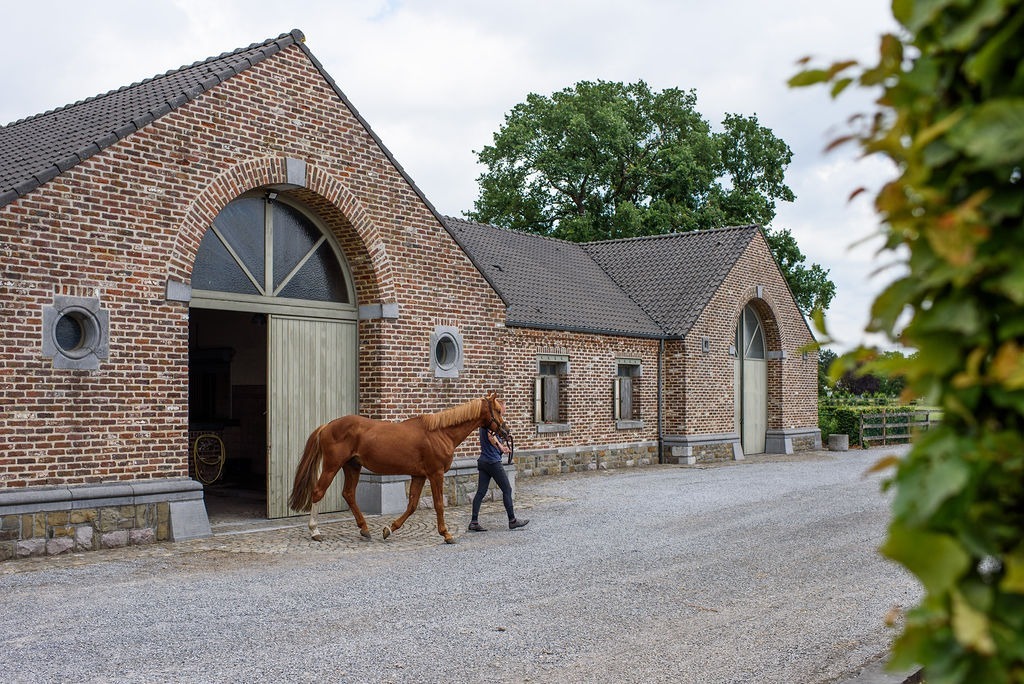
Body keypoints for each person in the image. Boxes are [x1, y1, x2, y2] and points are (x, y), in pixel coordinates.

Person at [468, 426, 529, 531]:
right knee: (507, 489)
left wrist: (502, 442)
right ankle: (512, 521)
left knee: (481, 492)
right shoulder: (488, 425)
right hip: (493, 462)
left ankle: (474, 522)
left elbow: (492, 437)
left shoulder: (483, 426)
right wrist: (501, 447)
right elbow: (491, 437)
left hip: (484, 461)